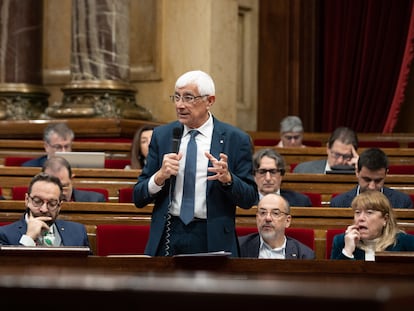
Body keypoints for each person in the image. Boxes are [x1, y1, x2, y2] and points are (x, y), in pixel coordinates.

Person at [133, 70, 258, 257]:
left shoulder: (236, 139)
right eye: (176, 97)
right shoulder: (162, 136)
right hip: (169, 232)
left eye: (188, 98)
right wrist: (158, 177)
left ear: (210, 101)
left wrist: (228, 179)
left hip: (212, 235)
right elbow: (138, 196)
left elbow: (249, 199)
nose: (180, 105)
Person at [0, 172, 91, 249]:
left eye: (52, 203)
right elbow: (10, 269)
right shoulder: (4, 234)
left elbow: (88, 268)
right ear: (27, 200)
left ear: (59, 206)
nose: (44, 209)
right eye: (37, 201)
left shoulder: (78, 232)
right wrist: (29, 238)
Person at [330, 190, 414, 260]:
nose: (361, 218)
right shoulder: (341, 241)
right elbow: (333, 278)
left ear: (385, 219)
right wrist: (348, 251)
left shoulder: (405, 242)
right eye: (357, 212)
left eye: (369, 212)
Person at [330, 148, 412, 208]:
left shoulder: (402, 202)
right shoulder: (338, 203)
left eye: (378, 181)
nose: (372, 186)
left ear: (386, 174)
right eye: (367, 180)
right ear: (357, 172)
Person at [239, 193, 315, 259]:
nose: (268, 218)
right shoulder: (239, 247)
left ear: (287, 221)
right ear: (257, 218)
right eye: (263, 213)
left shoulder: (303, 255)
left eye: (275, 213)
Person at [293, 126, 359, 173]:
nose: (340, 161)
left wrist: (359, 167)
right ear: (328, 148)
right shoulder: (303, 170)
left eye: (346, 156)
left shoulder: (359, 174)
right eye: (336, 154)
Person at [42, 156, 106, 202]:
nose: (58, 193)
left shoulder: (95, 200)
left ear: (71, 179)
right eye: (52, 187)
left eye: (63, 187)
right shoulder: (34, 204)